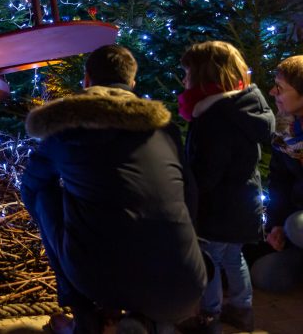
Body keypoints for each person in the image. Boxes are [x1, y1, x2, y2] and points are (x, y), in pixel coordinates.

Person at [21, 44, 207, 334]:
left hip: (98, 280)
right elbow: (190, 196)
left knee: (44, 195)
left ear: (87, 80)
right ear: (132, 83)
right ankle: (151, 320)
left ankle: (85, 315)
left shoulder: (65, 129)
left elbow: (31, 189)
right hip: (183, 280)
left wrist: (74, 219)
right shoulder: (165, 129)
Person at [177, 41, 274, 333]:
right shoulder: (244, 106)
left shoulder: (215, 116)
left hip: (218, 206)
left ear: (203, 75)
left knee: (210, 260)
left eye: (187, 73)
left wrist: (190, 195)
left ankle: (210, 316)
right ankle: (242, 309)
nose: (184, 80)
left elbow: (208, 169)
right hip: (244, 202)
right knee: (233, 256)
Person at [250, 55, 303, 293]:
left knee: (298, 225)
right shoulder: (287, 129)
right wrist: (276, 226)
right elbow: (280, 181)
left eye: (280, 88)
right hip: (295, 223)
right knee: (264, 275)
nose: (272, 92)